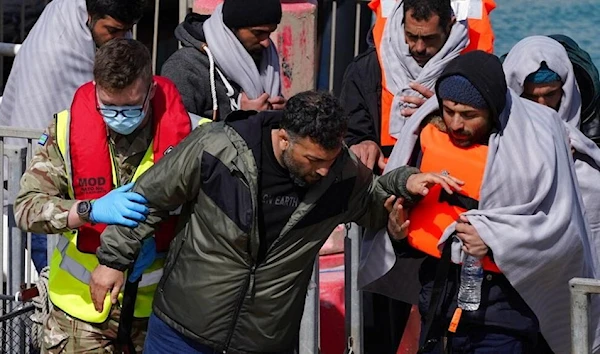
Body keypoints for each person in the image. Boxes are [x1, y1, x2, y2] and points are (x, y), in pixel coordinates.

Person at [86, 90, 462, 353]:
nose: (324, 169)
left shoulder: (341, 174)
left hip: (263, 340)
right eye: (314, 160)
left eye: (331, 159)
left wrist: (406, 184)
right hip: (183, 331)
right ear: (283, 138)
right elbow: (147, 198)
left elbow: (376, 203)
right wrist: (113, 260)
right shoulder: (216, 147)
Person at [359, 51, 600, 353]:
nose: (457, 124)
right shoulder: (426, 136)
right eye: (449, 111)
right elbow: (405, 218)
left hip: (504, 318)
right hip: (438, 306)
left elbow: (562, 233)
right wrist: (396, 232)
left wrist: (496, 240)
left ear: (493, 108)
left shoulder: (537, 146)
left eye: (470, 115)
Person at [14, 38, 195, 353]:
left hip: (161, 311)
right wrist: (89, 210)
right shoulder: (65, 130)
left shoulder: (193, 133)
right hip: (78, 313)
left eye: (131, 106)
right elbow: (26, 208)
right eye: (109, 107)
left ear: (151, 90)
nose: (120, 116)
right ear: (95, 87)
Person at [0, 0, 146, 274]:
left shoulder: (70, 10)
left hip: (79, 194)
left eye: (128, 30)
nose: (121, 39)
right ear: (90, 15)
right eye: (113, 30)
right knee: (58, 271)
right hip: (45, 184)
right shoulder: (59, 51)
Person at [503, 36, 600, 352]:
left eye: (551, 96)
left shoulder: (589, 124)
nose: (543, 107)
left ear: (567, 92)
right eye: (532, 99)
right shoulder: (500, 126)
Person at [340, 0, 468, 172]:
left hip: (447, 175)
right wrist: (363, 143)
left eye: (430, 38)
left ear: (450, 26)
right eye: (411, 36)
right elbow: (351, 129)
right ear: (401, 22)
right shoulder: (365, 70)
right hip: (382, 175)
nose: (419, 48)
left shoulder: (471, 74)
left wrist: (444, 115)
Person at [161, 0, 286, 121]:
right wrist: (241, 116)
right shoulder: (184, 67)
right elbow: (179, 133)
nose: (266, 43)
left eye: (270, 33)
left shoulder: (263, 57)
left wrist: (282, 114)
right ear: (231, 29)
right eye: (258, 33)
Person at [502, 34, 600, 145]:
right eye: (531, 96)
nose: (542, 105)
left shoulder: (587, 94)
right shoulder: (501, 88)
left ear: (564, 89)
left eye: (550, 94)